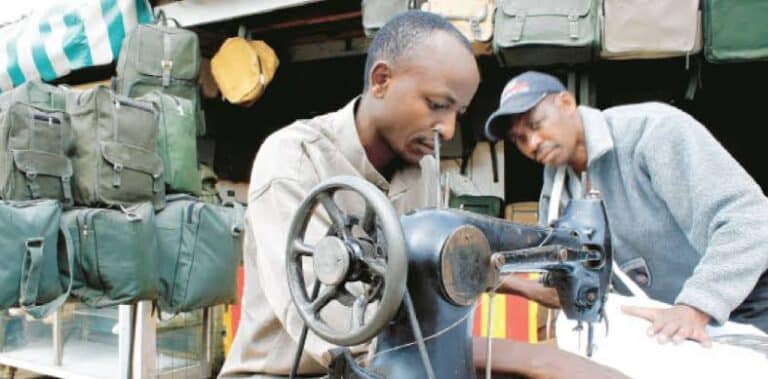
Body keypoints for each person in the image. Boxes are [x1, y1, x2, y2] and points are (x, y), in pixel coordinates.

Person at [221, 12, 627, 379]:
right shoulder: (294, 160)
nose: (448, 131)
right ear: (382, 81)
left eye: (457, 114)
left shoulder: (423, 171)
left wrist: (525, 287)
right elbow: (345, 336)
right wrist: (538, 360)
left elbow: (425, 272)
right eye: (436, 105)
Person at [485, 70, 768, 347]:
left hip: (748, 302)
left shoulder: (653, 131)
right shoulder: (557, 189)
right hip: (672, 323)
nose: (532, 143)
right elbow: (579, 286)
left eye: (535, 125)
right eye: (519, 139)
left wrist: (695, 306)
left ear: (567, 103)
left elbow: (751, 221)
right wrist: (503, 282)